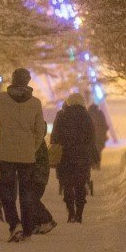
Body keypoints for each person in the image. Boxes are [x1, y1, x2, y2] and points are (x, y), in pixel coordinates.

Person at [0, 67, 46, 242]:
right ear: (27, 81)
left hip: (6, 154)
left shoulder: (2, 99)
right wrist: (32, 148)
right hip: (27, 156)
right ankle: (28, 230)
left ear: (13, 80)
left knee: (7, 192)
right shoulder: (35, 103)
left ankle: (15, 226)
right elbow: (40, 131)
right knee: (26, 193)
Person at [51, 92, 99, 223]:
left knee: (67, 184)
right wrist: (94, 157)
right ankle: (79, 213)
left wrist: (54, 150)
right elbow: (91, 139)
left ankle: (71, 212)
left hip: (65, 157)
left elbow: (55, 136)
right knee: (80, 185)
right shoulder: (86, 117)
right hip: (82, 157)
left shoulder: (61, 116)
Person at [87, 103, 109, 169]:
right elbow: (105, 125)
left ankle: (93, 164)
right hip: (100, 137)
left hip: (91, 137)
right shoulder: (100, 113)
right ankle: (97, 164)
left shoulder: (88, 114)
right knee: (98, 151)